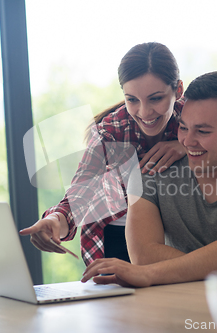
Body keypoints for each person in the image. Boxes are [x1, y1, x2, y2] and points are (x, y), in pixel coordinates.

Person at [80, 71, 217, 287]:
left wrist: (151, 273)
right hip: (178, 311)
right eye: (183, 128)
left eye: (202, 131)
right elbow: (144, 256)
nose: (187, 141)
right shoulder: (149, 177)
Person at [20, 42, 186, 266]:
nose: (145, 112)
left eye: (155, 98)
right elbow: (81, 191)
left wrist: (186, 145)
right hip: (115, 245)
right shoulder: (112, 130)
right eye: (132, 100)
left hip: (178, 243)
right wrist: (55, 220)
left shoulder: (194, 119)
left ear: (178, 90)